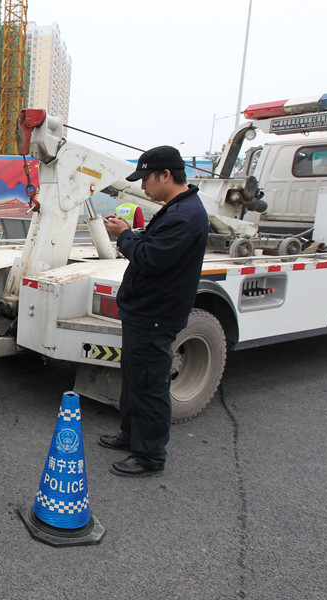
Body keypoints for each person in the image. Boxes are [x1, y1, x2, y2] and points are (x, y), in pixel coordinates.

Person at [101, 145, 209, 477]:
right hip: (145, 310)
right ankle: (131, 435)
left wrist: (124, 236)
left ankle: (150, 456)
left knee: (150, 384)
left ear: (165, 175)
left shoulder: (185, 215)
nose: (143, 187)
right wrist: (133, 235)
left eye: (146, 179)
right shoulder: (176, 209)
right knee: (135, 378)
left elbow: (151, 258)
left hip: (156, 314)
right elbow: (153, 248)